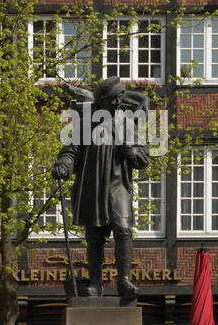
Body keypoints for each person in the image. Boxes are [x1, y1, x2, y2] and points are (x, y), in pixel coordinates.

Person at [52, 77, 150, 298]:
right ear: (104, 102)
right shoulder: (87, 122)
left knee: (123, 229)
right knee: (94, 236)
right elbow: (71, 150)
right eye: (115, 99)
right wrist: (63, 165)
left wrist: (133, 152)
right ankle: (96, 283)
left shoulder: (126, 123)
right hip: (92, 186)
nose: (119, 102)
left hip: (118, 187)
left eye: (120, 98)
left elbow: (144, 157)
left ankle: (124, 281)